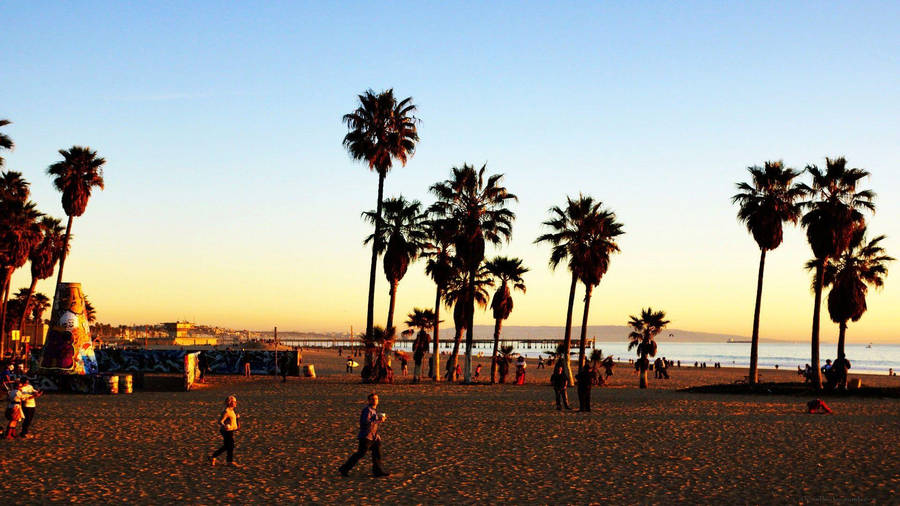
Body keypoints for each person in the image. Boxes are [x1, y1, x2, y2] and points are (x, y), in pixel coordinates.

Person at [339, 392, 389, 478]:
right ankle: (344, 468)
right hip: (366, 436)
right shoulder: (367, 410)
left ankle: (378, 471)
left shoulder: (373, 410)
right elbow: (365, 422)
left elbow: (374, 424)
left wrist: (378, 428)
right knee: (360, 454)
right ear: (369, 401)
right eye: (373, 399)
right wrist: (378, 419)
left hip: (374, 437)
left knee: (377, 453)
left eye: (376, 399)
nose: (375, 401)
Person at [209, 395, 241, 466]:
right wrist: (225, 426)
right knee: (230, 445)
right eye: (234, 402)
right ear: (230, 402)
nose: (236, 403)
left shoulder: (232, 410)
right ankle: (229, 461)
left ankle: (213, 457)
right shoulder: (226, 411)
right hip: (226, 431)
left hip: (230, 430)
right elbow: (220, 421)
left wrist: (237, 418)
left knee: (227, 446)